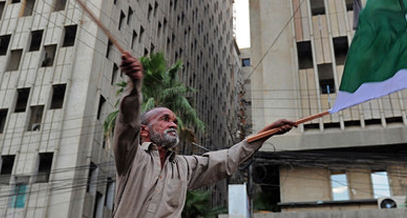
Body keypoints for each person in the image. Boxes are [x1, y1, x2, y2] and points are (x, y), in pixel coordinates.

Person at [113, 52, 296, 217]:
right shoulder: (131, 157)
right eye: (165, 119)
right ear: (144, 130)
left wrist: (266, 133)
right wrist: (135, 85)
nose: (173, 124)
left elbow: (227, 159)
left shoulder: (185, 166)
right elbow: (127, 124)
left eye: (175, 121)